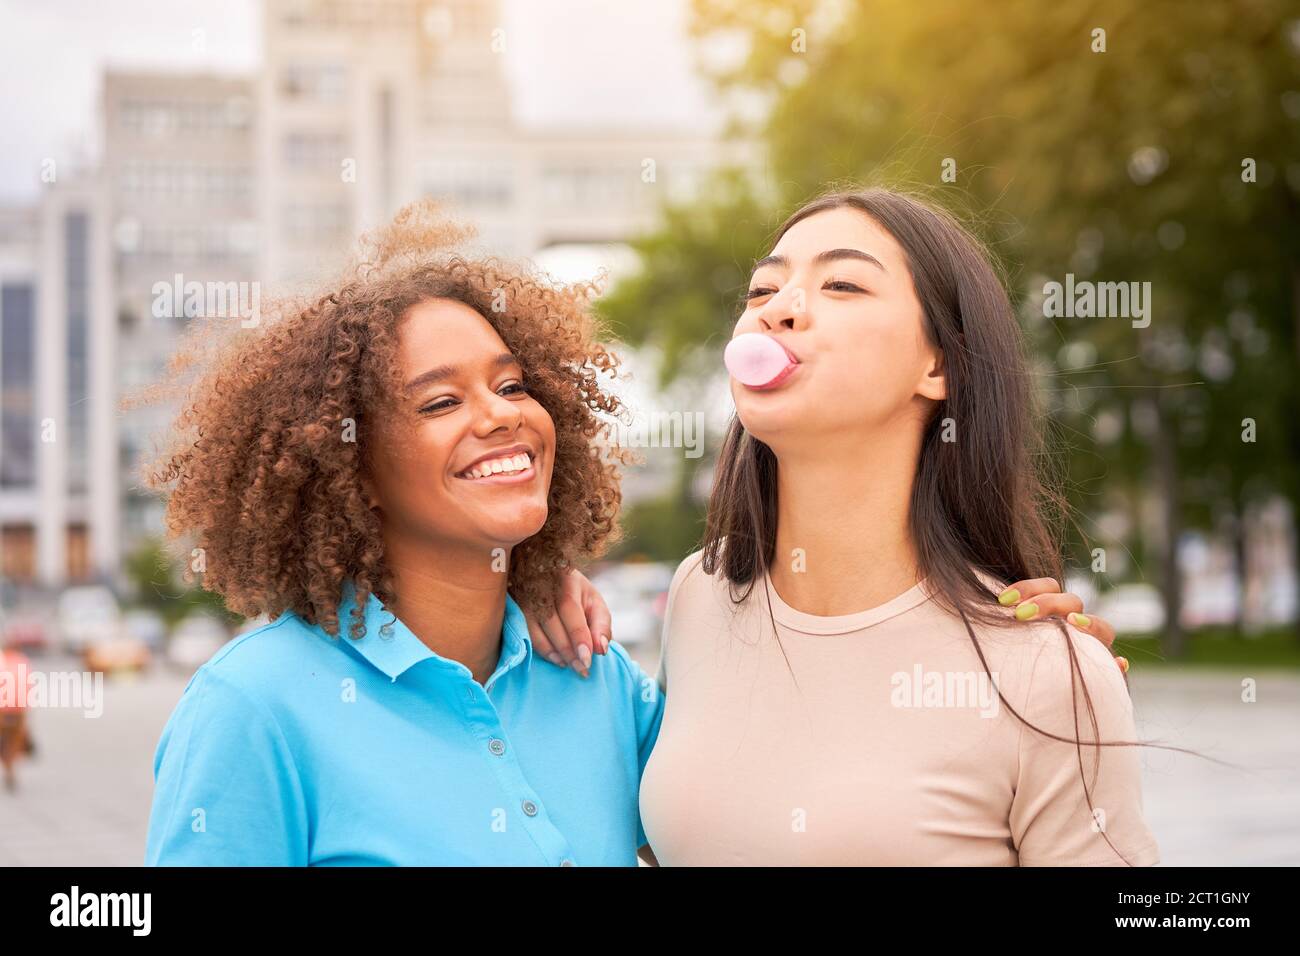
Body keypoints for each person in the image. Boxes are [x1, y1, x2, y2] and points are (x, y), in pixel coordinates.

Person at [540, 186, 1158, 866]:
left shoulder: (1047, 672)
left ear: (938, 364)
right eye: (761, 291)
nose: (778, 308)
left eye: (841, 283)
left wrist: (1071, 687)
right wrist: (521, 587)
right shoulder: (701, 594)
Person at [142, 202, 661, 865]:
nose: (501, 413)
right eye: (441, 402)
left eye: (512, 384)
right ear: (351, 465)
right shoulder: (252, 708)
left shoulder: (595, 672)